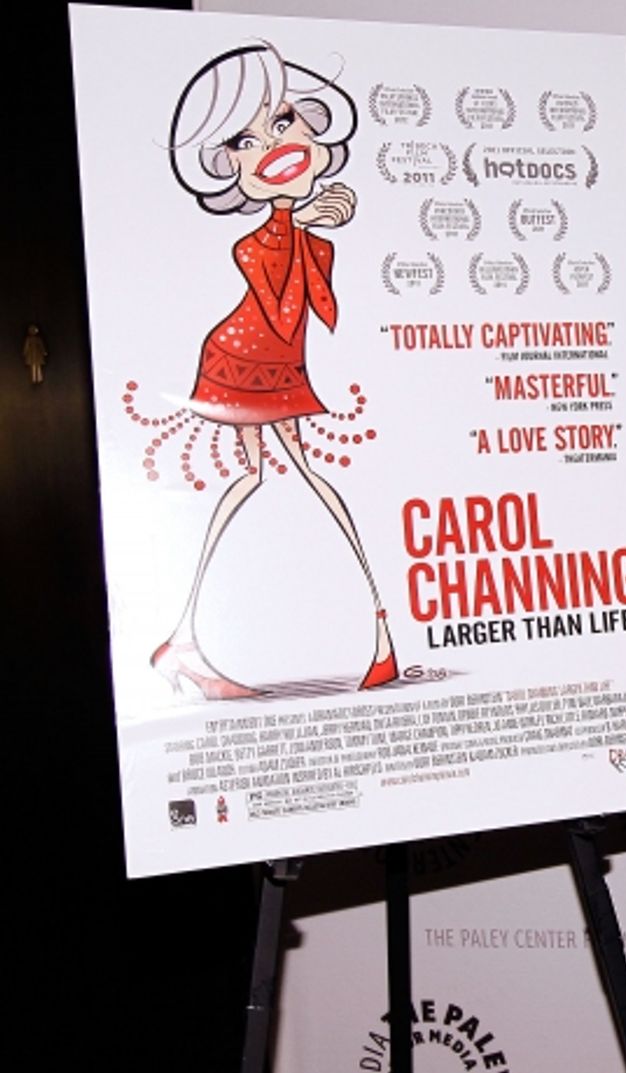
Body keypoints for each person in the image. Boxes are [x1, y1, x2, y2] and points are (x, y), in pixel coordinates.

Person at [154, 43, 397, 699]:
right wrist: (304, 219)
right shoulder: (253, 240)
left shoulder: (295, 228)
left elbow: (307, 305)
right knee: (288, 476)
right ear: (227, 164)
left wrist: (312, 222)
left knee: (273, 475)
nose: (273, 143)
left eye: (284, 119)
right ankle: (375, 635)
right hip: (241, 361)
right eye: (244, 138)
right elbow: (286, 304)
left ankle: (187, 640)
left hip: (270, 359)